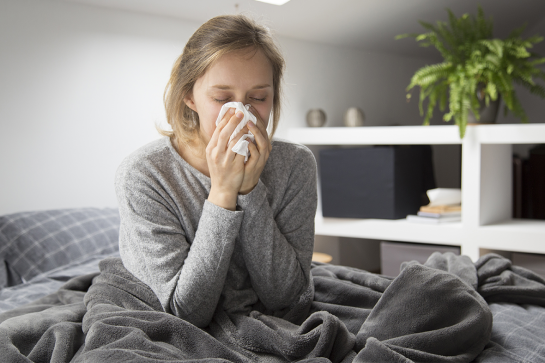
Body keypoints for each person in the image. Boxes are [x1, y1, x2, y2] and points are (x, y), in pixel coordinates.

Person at [115, 14, 317, 329]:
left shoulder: (295, 164)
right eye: (222, 98)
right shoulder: (145, 175)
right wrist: (223, 193)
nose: (242, 113)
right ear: (188, 95)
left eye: (258, 97)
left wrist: (250, 192)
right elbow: (187, 313)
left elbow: (287, 299)